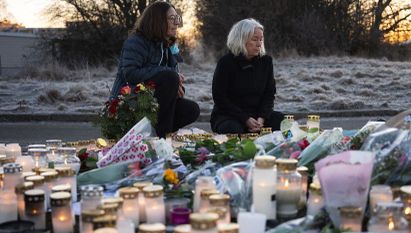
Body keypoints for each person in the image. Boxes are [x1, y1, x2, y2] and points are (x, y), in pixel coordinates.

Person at [110, 1, 200, 137]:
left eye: (177, 18)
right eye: (172, 18)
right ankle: (162, 139)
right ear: (158, 21)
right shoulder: (137, 41)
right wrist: (168, 75)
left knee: (191, 109)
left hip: (153, 100)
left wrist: (177, 87)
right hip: (130, 100)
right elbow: (130, 73)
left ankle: (155, 134)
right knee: (169, 76)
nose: (177, 23)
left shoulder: (167, 45)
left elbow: (171, 78)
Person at [210, 18, 284, 134]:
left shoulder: (266, 61)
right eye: (254, 39)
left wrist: (262, 118)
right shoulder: (226, 63)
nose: (259, 44)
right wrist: (245, 119)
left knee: (285, 123)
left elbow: (269, 94)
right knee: (233, 129)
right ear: (241, 39)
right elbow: (220, 98)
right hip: (229, 116)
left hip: (258, 116)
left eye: (261, 39)